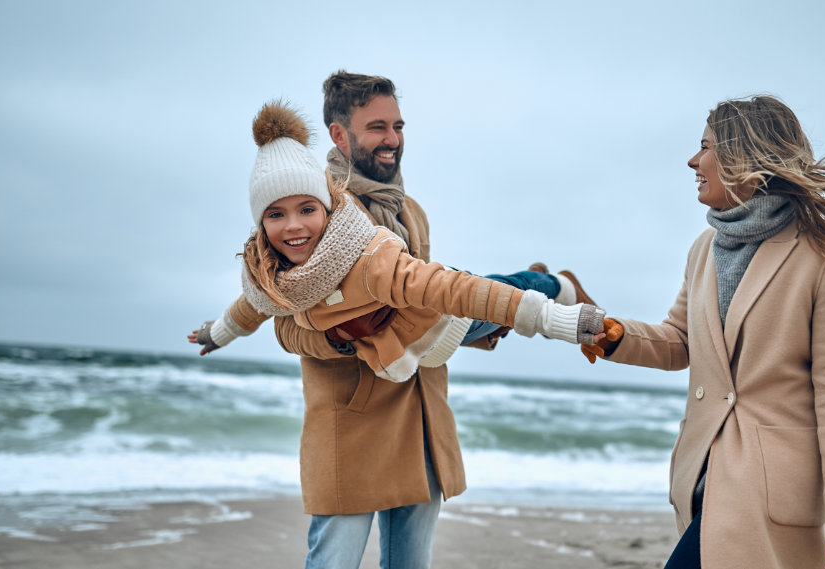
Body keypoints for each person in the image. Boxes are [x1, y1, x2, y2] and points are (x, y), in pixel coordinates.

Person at [189, 71, 596, 569]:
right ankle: (549, 287)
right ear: (339, 135)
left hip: (420, 403)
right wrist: (334, 337)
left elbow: (432, 297)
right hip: (353, 422)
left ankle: (550, 287)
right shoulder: (316, 213)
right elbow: (280, 319)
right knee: (333, 560)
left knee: (410, 564)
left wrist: (536, 319)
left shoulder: (410, 211)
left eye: (397, 125)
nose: (392, 139)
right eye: (376, 127)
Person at [581, 95, 825, 569]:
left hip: (770, 492)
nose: (693, 160)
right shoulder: (705, 248)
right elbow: (681, 340)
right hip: (701, 476)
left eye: (706, 147)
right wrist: (618, 335)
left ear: (747, 157)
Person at [191, 100, 604, 382]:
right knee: (497, 319)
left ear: (327, 208)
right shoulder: (275, 277)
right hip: (411, 350)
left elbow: (457, 291)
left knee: (509, 295)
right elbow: (252, 308)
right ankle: (527, 296)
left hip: (448, 319)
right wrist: (218, 334)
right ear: (261, 225)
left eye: (307, 209)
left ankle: (559, 284)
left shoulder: (370, 260)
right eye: (276, 215)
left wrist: (562, 321)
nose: (294, 226)